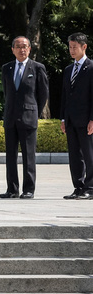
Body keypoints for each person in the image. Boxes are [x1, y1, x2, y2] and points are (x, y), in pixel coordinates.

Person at [0, 36, 48, 199]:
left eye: (25, 46)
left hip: (28, 117)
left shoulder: (37, 68)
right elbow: (7, 92)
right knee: (10, 156)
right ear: (12, 49)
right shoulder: (6, 68)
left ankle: (29, 189)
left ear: (29, 49)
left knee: (29, 155)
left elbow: (43, 94)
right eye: (18, 47)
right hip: (10, 117)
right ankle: (11, 189)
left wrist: (34, 111)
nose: (22, 49)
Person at [60, 33, 93, 200]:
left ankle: (90, 187)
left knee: (89, 154)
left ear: (84, 47)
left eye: (75, 47)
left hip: (87, 119)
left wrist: (92, 119)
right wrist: (63, 119)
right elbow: (65, 96)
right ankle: (78, 187)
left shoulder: (91, 67)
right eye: (70, 47)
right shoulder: (68, 70)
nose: (72, 50)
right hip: (71, 119)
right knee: (74, 156)